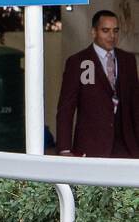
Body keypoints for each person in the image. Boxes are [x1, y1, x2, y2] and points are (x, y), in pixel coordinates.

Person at [56, 10, 139, 158]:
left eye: (115, 31)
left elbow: (135, 106)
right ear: (94, 32)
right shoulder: (78, 62)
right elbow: (66, 108)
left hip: (126, 147)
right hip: (91, 146)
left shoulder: (128, 60)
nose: (112, 36)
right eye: (105, 31)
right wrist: (64, 149)